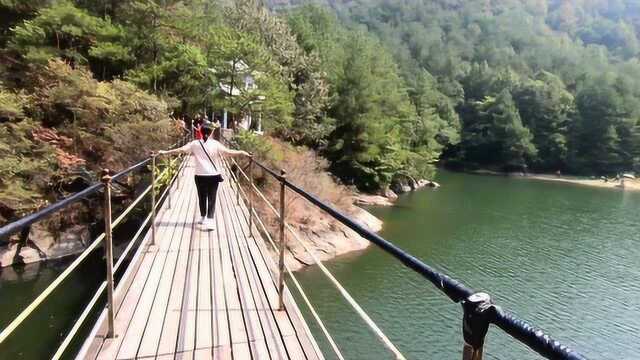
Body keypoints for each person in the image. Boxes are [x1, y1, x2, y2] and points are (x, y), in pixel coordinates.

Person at [157, 123, 249, 230]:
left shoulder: (194, 144)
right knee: (212, 197)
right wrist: (242, 152)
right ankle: (210, 220)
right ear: (211, 133)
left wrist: (165, 152)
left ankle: (203, 217)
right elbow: (228, 153)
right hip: (213, 175)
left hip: (200, 175)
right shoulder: (215, 144)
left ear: (200, 132)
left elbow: (181, 150)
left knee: (202, 196)